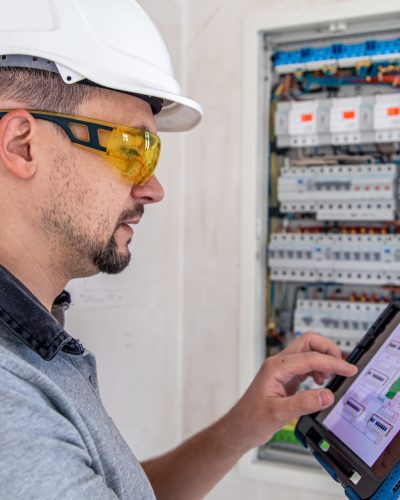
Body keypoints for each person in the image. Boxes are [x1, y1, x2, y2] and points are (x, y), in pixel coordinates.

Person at [0, 1, 357, 498]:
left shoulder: (37, 347)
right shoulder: (9, 404)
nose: (153, 189)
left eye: (152, 153)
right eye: (131, 149)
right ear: (22, 145)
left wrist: (242, 428)